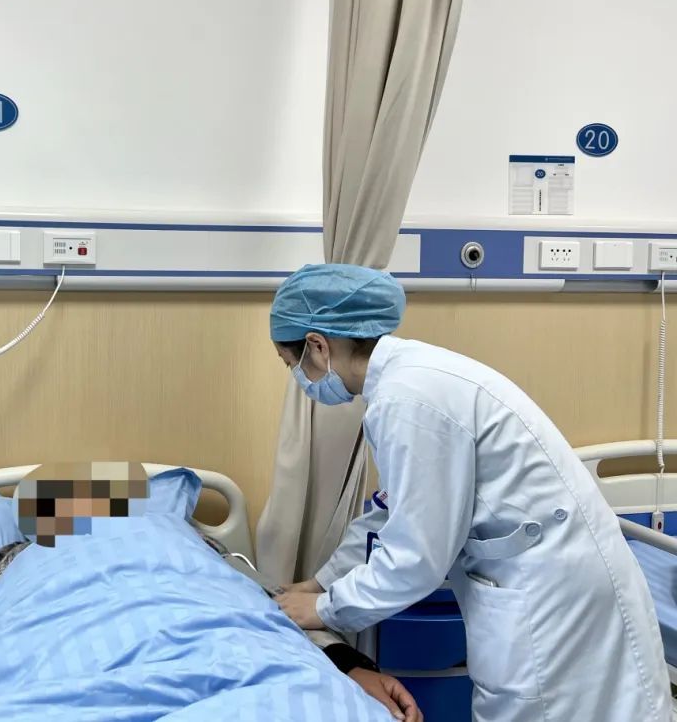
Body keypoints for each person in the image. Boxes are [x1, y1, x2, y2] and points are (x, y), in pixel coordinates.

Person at [268, 263, 669, 722]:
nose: (300, 380)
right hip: (542, 579)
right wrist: (321, 582)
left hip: (550, 595)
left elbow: (416, 557)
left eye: (292, 365)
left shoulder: (407, 400)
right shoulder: (407, 380)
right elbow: (389, 511)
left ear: (318, 346)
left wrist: (325, 609)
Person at [0, 468, 423, 721]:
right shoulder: (18, 555)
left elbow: (266, 609)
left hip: (214, 642)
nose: (89, 511)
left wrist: (350, 665)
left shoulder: (190, 541)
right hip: (60, 643)